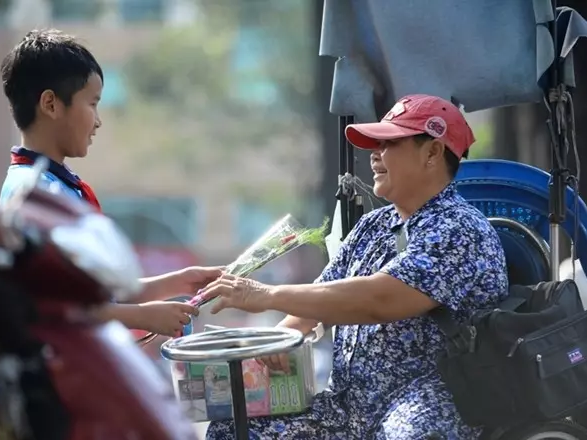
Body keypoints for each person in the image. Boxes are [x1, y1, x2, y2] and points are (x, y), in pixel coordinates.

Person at [201, 95, 509, 439]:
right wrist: (276, 342)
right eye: (376, 144)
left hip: (427, 400)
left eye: (390, 143)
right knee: (232, 428)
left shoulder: (459, 228)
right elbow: (316, 305)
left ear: (432, 153)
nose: (375, 154)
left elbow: (381, 299)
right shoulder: (372, 227)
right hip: (349, 409)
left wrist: (268, 295)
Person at [0, 29, 220, 337]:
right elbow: (45, 304)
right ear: (51, 104)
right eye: (92, 103)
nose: (98, 120)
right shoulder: (32, 196)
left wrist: (178, 282)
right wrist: (142, 317)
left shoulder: (55, 186)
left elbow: (93, 293)